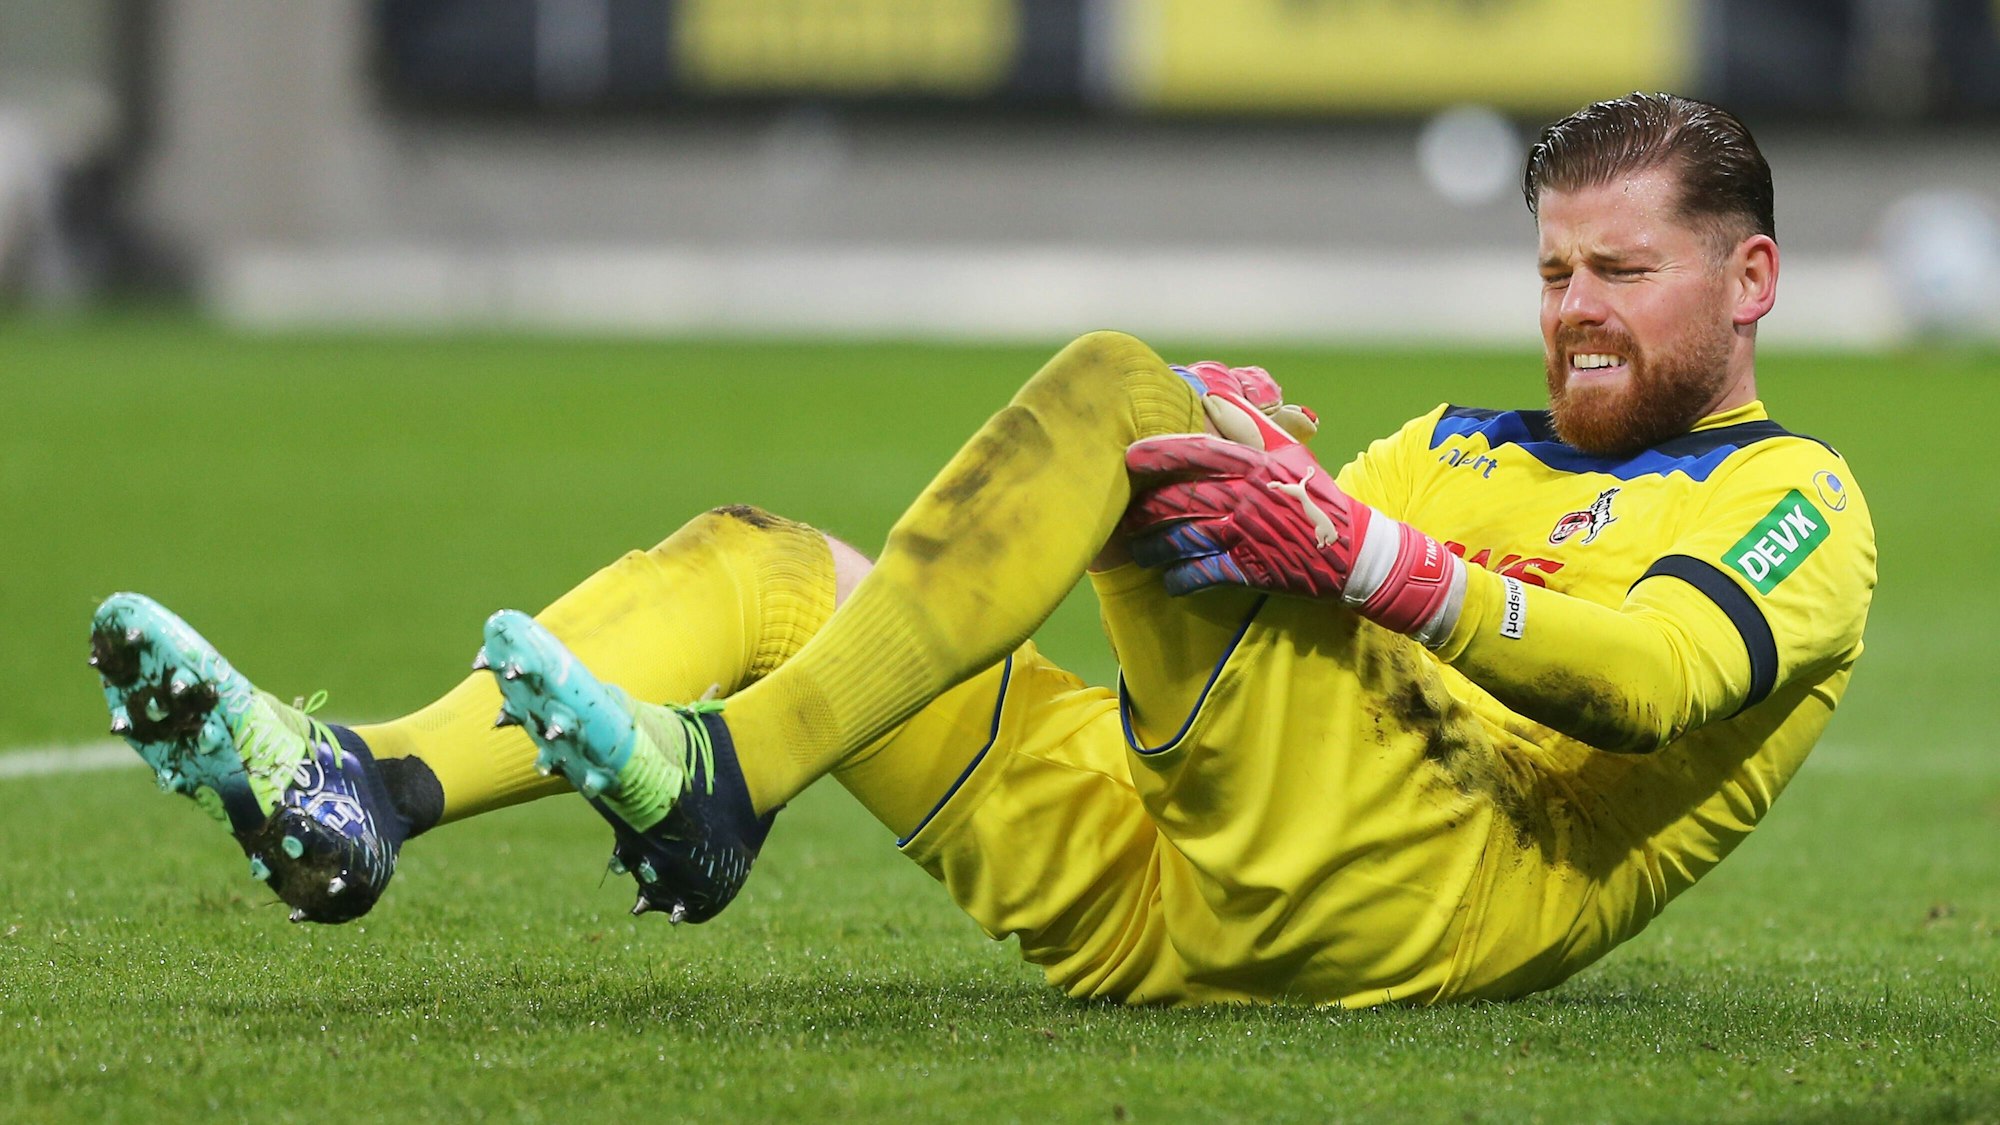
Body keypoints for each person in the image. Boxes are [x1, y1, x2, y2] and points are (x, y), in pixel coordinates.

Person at [90, 92, 1874, 1005]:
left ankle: (728, 777)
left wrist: (1350, 547)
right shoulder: (1466, 443)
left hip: (1432, 889)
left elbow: (1658, 678)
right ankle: (361, 787)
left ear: (1751, 279)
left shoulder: (1792, 497)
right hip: (1167, 888)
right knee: (765, 567)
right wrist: (1240, 465)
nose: (1574, 309)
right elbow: (1292, 573)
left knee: (1114, 385)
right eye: (1554, 269)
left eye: (1622, 271)